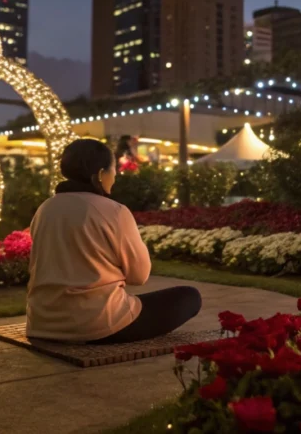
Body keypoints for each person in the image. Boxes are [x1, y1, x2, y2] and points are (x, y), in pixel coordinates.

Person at [26, 138, 201, 343]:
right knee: (189, 297)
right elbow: (139, 275)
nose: (115, 177)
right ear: (101, 174)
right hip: (95, 323)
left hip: (41, 322)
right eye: (113, 170)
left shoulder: (45, 209)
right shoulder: (113, 211)